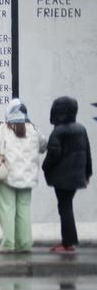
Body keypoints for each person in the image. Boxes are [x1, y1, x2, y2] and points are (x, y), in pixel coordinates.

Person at [0, 100, 46, 253]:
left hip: (7, 176)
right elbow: (43, 146)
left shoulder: (4, 128)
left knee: (7, 208)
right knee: (24, 209)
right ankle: (24, 243)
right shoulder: (34, 129)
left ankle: (8, 243)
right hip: (28, 178)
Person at [42, 96, 92, 253]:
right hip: (77, 177)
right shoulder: (81, 128)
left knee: (64, 208)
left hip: (62, 178)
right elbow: (88, 153)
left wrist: (44, 167)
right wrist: (88, 173)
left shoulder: (58, 131)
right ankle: (69, 240)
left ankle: (68, 243)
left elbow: (53, 155)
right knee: (67, 206)